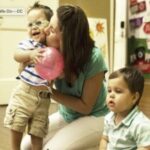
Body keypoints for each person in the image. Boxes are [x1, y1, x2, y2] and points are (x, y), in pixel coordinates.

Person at [21, 4, 109, 150]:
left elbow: (85, 107)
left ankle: (96, 143)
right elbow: (22, 65)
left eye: (52, 30)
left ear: (66, 38)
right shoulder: (49, 49)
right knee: (26, 146)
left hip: (96, 116)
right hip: (67, 114)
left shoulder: (94, 58)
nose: (45, 30)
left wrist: (49, 91)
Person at [4, 2, 53, 150]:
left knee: (38, 130)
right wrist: (29, 54)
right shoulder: (28, 44)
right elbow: (16, 55)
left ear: (50, 26)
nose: (34, 27)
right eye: (30, 24)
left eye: (39, 22)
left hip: (44, 98)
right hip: (24, 93)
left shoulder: (52, 48)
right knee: (17, 125)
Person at [99, 67, 150, 150]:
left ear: (134, 98)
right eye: (109, 90)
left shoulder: (142, 125)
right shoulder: (109, 118)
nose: (111, 95)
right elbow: (104, 139)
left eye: (118, 91)